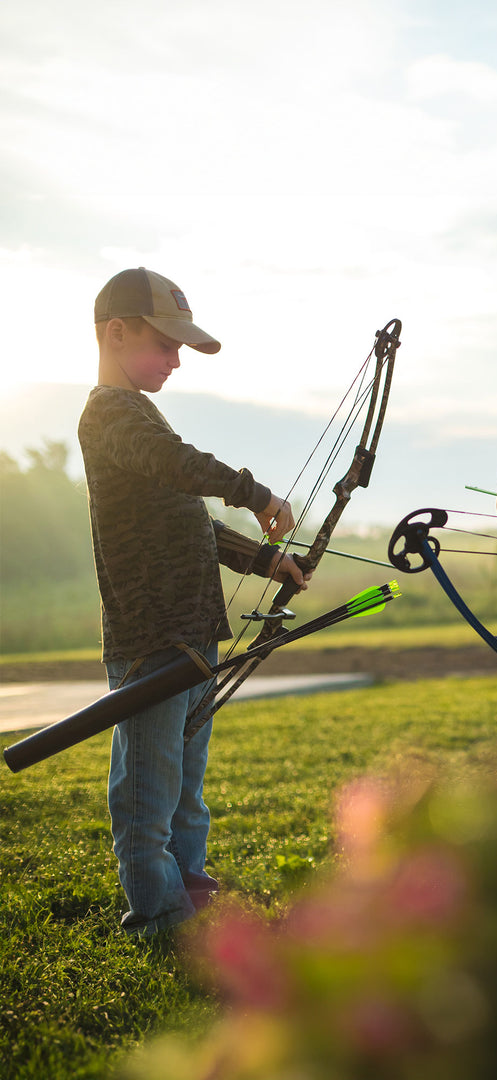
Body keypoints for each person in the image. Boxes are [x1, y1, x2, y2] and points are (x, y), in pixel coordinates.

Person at [80, 266, 309, 938]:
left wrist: (267, 560)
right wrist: (257, 493)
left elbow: (191, 523)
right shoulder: (110, 414)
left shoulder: (140, 417)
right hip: (151, 641)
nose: (176, 360)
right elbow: (183, 467)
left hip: (191, 636)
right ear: (116, 333)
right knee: (147, 795)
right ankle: (158, 915)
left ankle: (191, 887)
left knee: (184, 787)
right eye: (165, 344)